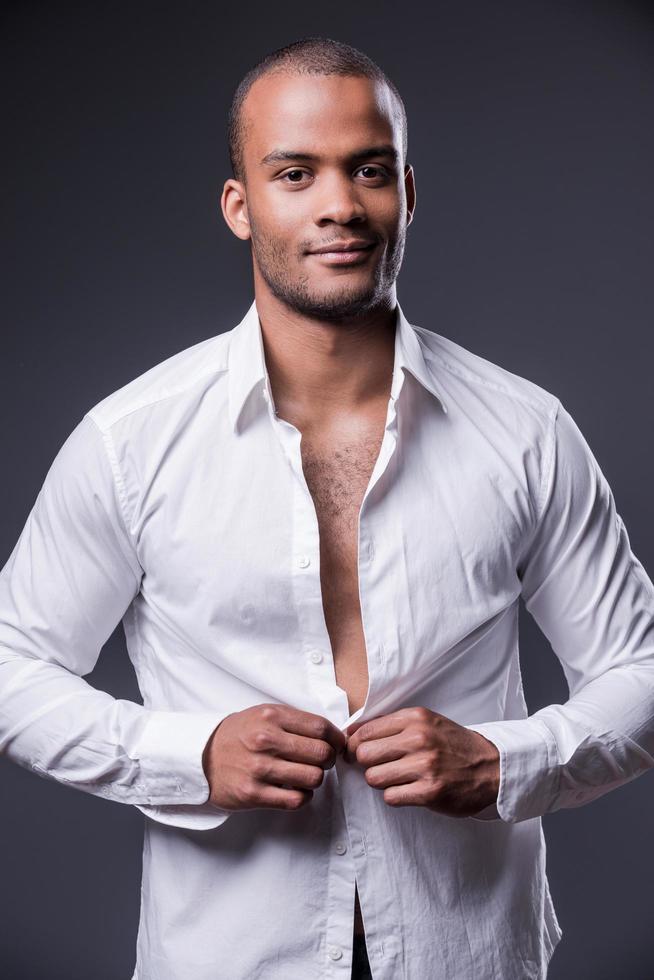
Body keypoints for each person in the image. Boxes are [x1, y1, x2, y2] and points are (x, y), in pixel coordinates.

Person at [1, 34, 653, 980]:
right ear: (241, 205)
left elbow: (639, 669)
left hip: (464, 952)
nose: (340, 206)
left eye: (369, 170)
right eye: (295, 173)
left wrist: (509, 764)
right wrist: (190, 756)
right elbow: (13, 665)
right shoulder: (130, 442)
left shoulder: (526, 432)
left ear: (408, 194)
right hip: (225, 956)